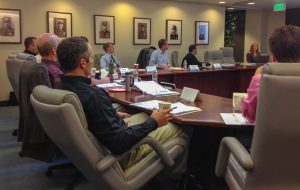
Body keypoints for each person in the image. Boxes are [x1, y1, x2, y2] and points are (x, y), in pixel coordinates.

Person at [57, 36, 190, 173]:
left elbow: (88, 116)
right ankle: (174, 179)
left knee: (145, 115)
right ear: (83, 63)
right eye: (91, 58)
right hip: (123, 152)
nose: (93, 62)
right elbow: (119, 143)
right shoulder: (94, 96)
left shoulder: (61, 88)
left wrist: (110, 114)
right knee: (180, 126)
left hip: (107, 136)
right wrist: (154, 122)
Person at [242, 25, 300, 123]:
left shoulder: (261, 79)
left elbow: (251, 116)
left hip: (269, 138)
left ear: (273, 57)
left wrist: (256, 77)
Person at [37, 33, 109, 88]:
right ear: (54, 51)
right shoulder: (55, 73)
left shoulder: (42, 67)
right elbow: (76, 84)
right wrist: (101, 82)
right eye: (60, 46)